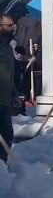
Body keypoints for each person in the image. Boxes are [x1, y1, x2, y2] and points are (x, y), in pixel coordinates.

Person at [0, 15, 15, 161]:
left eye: (13, 25)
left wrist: (15, 94)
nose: (12, 28)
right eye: (9, 25)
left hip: (5, 100)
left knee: (7, 135)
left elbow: (10, 73)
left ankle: (2, 165)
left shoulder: (9, 48)